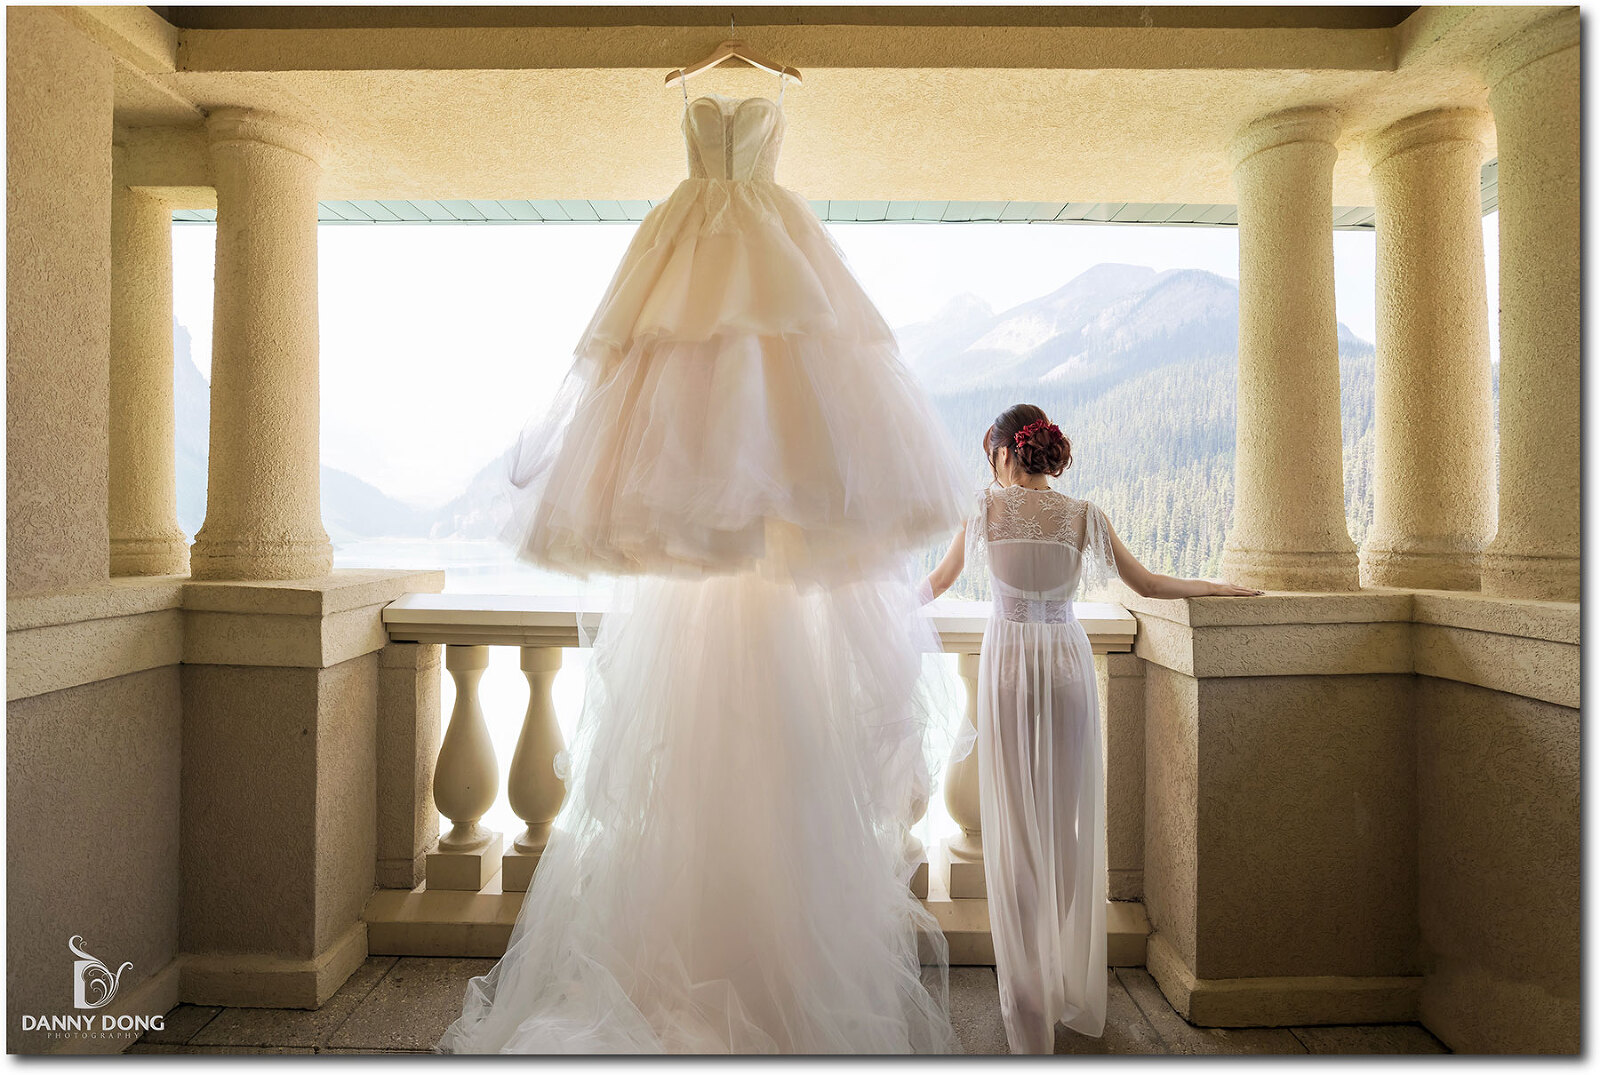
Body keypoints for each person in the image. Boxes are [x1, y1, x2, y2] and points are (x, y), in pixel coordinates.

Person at [434, 78, 970, 1053]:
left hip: (749, 258)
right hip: (728, 263)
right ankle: (719, 961)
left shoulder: (753, 202)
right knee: (711, 703)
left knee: (760, 426)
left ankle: (754, 954)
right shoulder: (711, 197)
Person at [921, 403, 1260, 1054]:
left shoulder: (985, 509)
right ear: (1045, 451)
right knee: (1063, 826)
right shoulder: (1084, 516)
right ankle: (1056, 980)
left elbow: (936, 583)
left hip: (1011, 669)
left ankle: (1026, 1000)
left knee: (1015, 827)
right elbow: (1149, 582)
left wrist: (872, 605)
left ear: (1000, 453)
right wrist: (1218, 587)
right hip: (1069, 665)